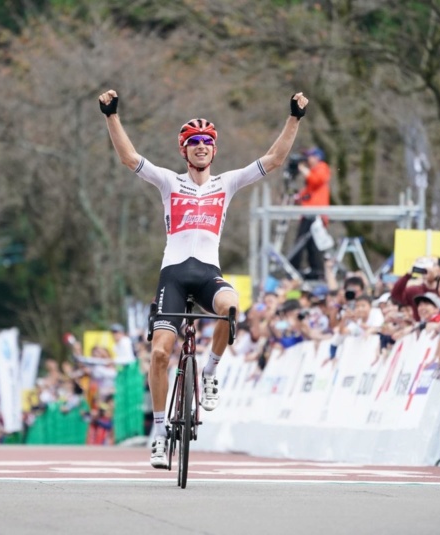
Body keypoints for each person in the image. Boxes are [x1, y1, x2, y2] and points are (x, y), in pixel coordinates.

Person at [98, 88, 309, 468]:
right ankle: (160, 434)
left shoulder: (226, 183)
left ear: (214, 150)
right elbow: (129, 158)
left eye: (207, 142)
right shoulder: (169, 182)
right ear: (184, 150)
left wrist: (294, 117)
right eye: (193, 142)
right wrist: (111, 115)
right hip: (174, 277)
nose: (200, 146)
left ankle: (209, 372)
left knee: (231, 309)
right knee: (161, 352)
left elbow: (275, 159)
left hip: (208, 273)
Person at [288, 147, 331, 280]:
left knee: (309, 243)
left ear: (317, 157)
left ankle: (312, 270)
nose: (307, 160)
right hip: (308, 213)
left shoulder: (322, 167)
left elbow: (316, 180)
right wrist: (296, 197)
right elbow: (307, 192)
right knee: (307, 243)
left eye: (309, 157)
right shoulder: (313, 172)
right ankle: (312, 270)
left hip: (315, 214)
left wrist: (302, 168)